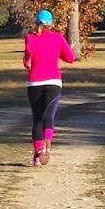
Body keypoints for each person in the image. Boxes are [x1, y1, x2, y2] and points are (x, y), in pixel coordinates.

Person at [22, 9, 76, 166]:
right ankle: (48, 145)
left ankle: (37, 155)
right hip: (53, 81)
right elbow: (70, 58)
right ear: (51, 23)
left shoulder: (30, 37)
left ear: (36, 22)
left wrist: (28, 60)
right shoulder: (57, 38)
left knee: (37, 118)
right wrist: (57, 52)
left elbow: (27, 58)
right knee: (49, 116)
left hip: (34, 82)